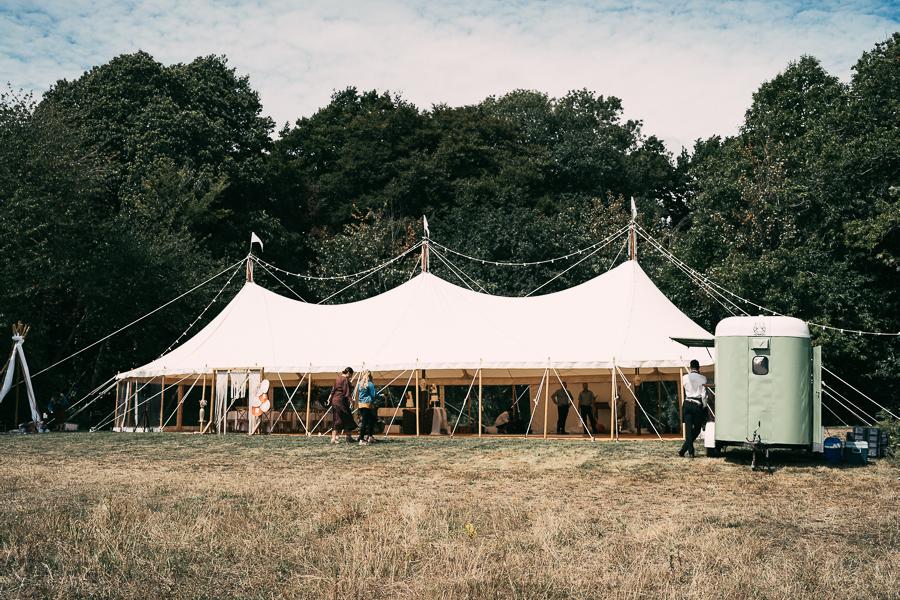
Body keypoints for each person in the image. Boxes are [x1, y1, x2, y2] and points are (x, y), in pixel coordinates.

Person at [679, 359, 708, 458]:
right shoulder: (703, 378)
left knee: (688, 429)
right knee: (697, 429)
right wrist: (704, 405)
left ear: (690, 367)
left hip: (687, 403)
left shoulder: (685, 377)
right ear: (698, 367)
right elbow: (704, 395)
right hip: (697, 404)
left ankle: (687, 450)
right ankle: (687, 450)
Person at [356, 370, 384, 446]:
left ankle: (369, 436)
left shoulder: (359, 384)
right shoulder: (370, 384)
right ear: (370, 376)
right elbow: (373, 395)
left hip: (361, 405)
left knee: (371, 420)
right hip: (368, 405)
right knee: (366, 421)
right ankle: (362, 439)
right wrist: (381, 396)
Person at [330, 367, 356, 444]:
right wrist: (352, 402)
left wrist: (329, 400)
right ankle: (348, 436)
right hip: (341, 401)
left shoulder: (337, 380)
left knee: (336, 418)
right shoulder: (345, 380)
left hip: (334, 400)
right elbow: (347, 393)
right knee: (348, 417)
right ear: (348, 373)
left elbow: (332, 391)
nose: (351, 376)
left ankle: (334, 438)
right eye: (351, 374)